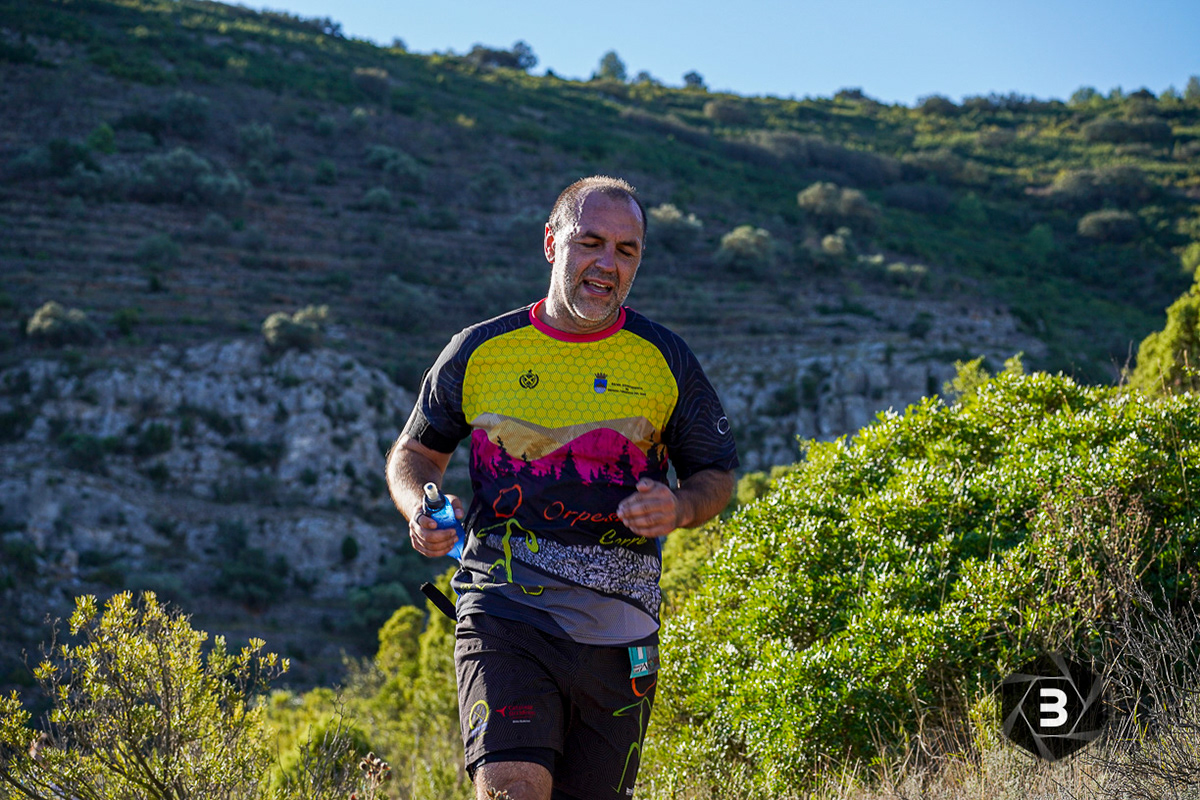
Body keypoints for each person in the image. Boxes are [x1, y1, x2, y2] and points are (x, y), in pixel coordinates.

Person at [385, 175, 738, 800]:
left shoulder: (666, 358)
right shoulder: (480, 351)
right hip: (504, 610)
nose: (607, 263)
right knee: (512, 789)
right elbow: (414, 453)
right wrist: (422, 506)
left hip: (622, 632)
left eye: (626, 250)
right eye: (590, 242)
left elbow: (716, 477)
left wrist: (680, 506)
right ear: (552, 243)